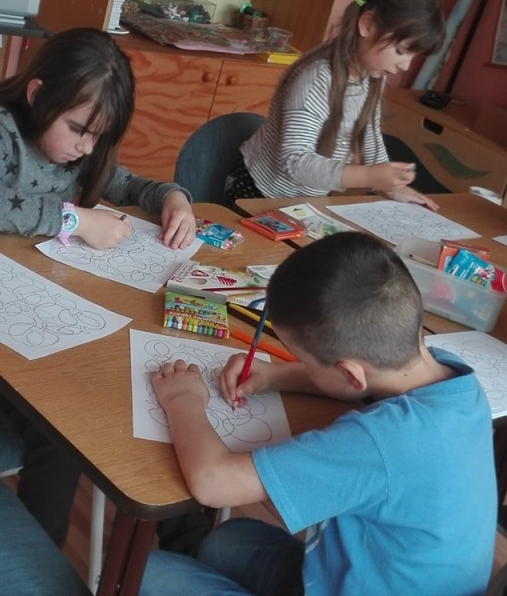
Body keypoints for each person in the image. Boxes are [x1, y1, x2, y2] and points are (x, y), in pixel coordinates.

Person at [0, 27, 197, 547]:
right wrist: (76, 220)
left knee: (124, 390)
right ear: (38, 95)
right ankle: (38, 557)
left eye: (98, 137)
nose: (85, 148)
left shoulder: (80, 152)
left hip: (31, 309)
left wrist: (175, 198)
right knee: (63, 426)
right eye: (77, 129)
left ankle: (185, 542)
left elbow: (129, 185)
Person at [139, 232, 497, 596]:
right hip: (374, 577)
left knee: (147, 574)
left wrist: (182, 398)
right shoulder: (451, 376)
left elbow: (214, 482)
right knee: (226, 541)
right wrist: (275, 375)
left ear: (350, 373)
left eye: (305, 362)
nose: (300, 367)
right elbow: (363, 384)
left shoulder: (380, 441)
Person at [225, 0, 446, 211]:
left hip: (302, 202)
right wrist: (370, 176)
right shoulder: (316, 78)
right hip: (257, 192)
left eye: (413, 56)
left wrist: (391, 184)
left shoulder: (372, 74)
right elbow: (295, 162)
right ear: (368, 24)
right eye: (401, 51)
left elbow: (368, 132)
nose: (405, 66)